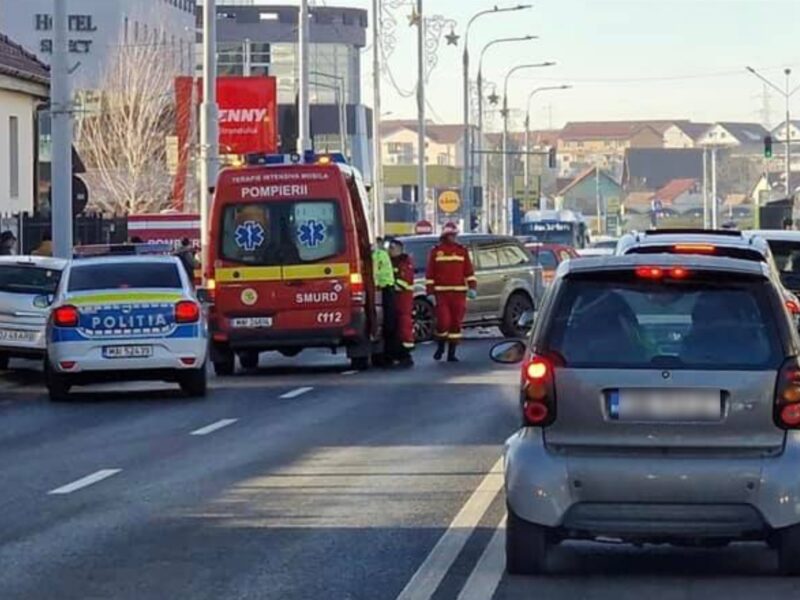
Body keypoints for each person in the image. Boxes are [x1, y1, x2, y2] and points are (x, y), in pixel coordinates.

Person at [425, 222, 477, 362]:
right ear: (445, 236)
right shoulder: (436, 251)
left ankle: (451, 353)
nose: (453, 238)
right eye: (451, 235)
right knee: (443, 322)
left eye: (455, 235)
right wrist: (430, 293)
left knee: (455, 323)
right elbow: (430, 274)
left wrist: (472, 287)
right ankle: (441, 346)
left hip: (459, 293)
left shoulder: (462, 251)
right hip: (441, 294)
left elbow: (469, 271)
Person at [388, 238, 415, 367]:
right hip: (392, 301)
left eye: (392, 248)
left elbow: (404, 281)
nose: (390, 250)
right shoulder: (390, 262)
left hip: (403, 301)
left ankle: (406, 354)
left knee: (403, 328)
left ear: (399, 249)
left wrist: (390, 285)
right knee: (393, 328)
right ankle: (395, 355)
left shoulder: (404, 262)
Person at [372, 237, 396, 364]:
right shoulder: (378, 255)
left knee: (389, 323)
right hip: (383, 290)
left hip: (387, 288)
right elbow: (375, 272)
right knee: (387, 324)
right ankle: (385, 355)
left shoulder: (382, 254)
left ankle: (387, 354)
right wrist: (376, 286)